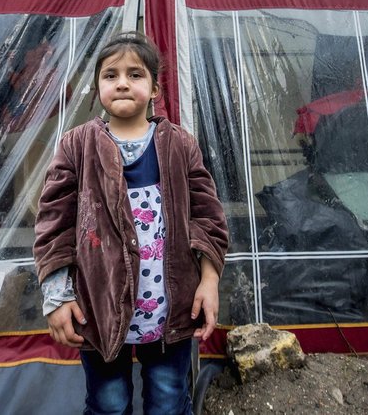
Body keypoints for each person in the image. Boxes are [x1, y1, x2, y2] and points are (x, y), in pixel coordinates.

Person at [34, 31, 229, 415]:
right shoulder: (77, 146)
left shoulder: (179, 144)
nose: (122, 82)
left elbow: (208, 216)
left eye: (135, 74)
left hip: (172, 312)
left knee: (169, 402)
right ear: (97, 88)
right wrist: (57, 296)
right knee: (109, 403)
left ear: (155, 88)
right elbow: (53, 224)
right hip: (99, 309)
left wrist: (209, 281)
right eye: (110, 75)